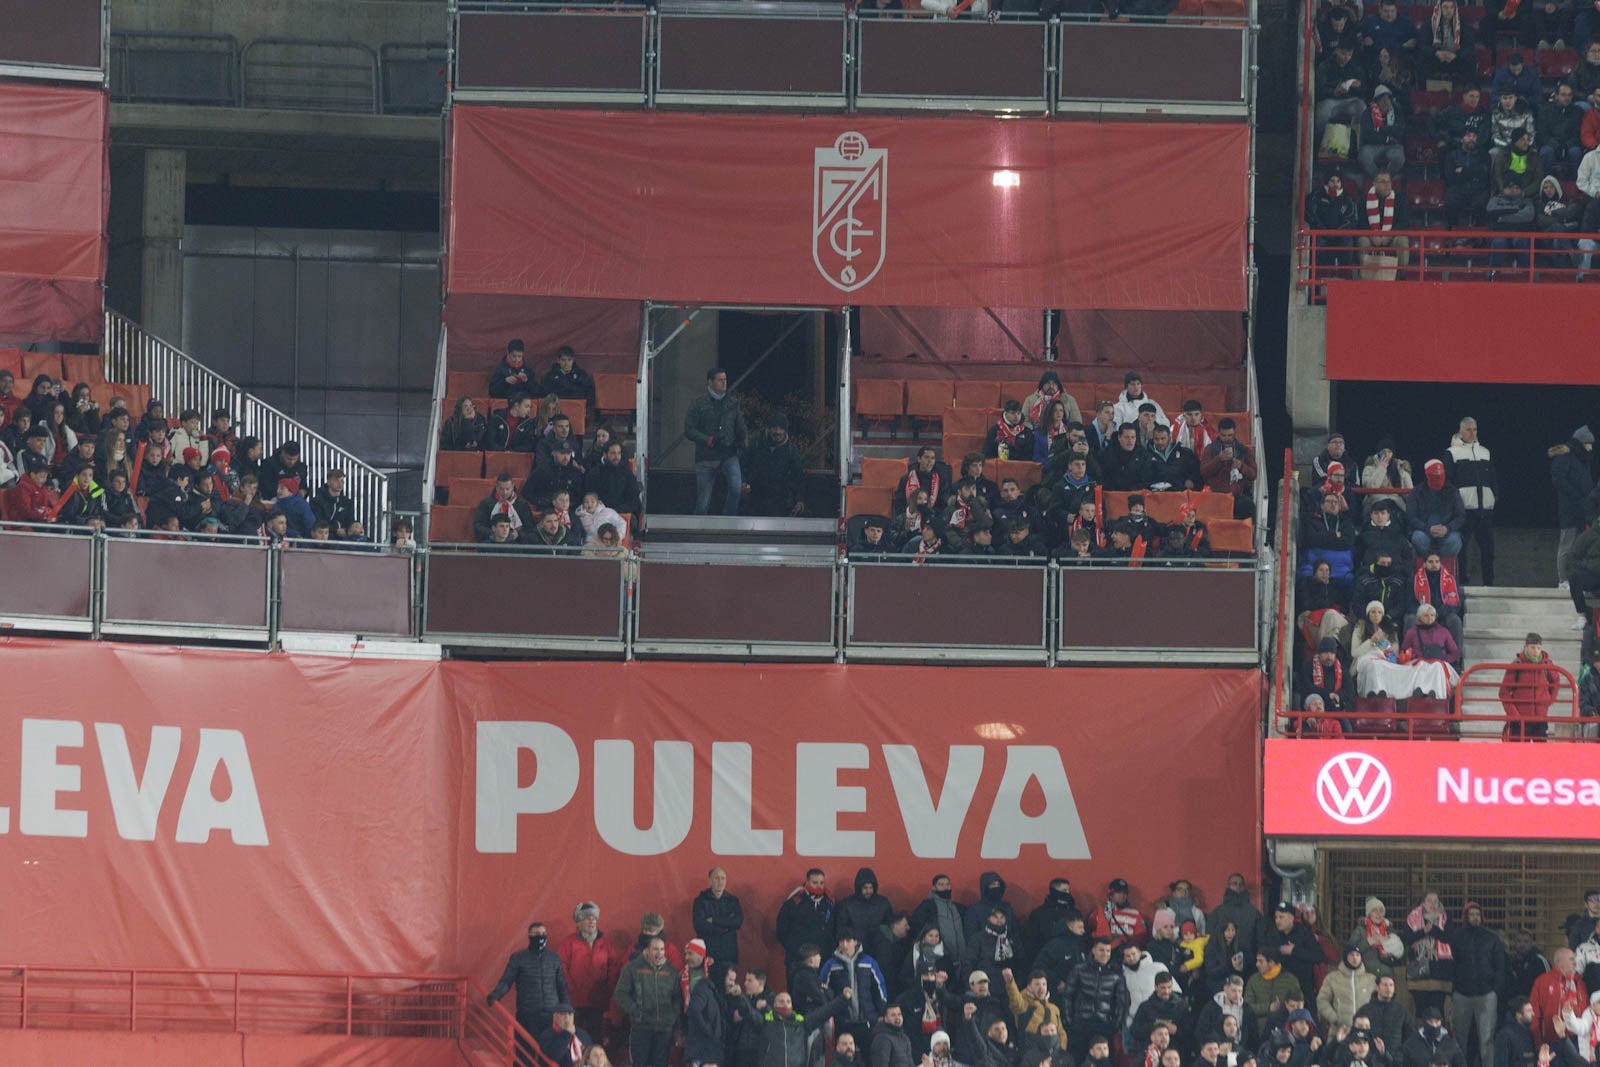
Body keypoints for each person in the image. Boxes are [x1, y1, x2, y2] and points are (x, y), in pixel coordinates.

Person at [488, 921, 569, 1039]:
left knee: (550, 1049)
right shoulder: (518, 958)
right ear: (529, 935)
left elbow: (561, 986)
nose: (541, 936)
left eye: (543, 933)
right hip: (527, 1014)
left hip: (552, 1014)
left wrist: (567, 1009)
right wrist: (496, 995)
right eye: (537, 934)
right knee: (525, 1048)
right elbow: (506, 980)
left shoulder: (554, 958)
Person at [685, 367, 747, 517]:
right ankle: (699, 528)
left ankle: (727, 520)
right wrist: (708, 440)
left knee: (736, 488)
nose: (724, 383)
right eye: (720, 380)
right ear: (710, 382)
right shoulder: (698, 403)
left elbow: (740, 427)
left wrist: (742, 440)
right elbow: (689, 430)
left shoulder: (733, 403)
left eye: (725, 380)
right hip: (706, 456)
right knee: (703, 503)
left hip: (729, 454)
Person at [1443, 418, 1497, 585]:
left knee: (1488, 549)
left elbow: (1493, 479)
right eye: (1468, 430)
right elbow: (1447, 483)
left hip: (1485, 510)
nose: (1472, 433)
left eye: (1474, 429)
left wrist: (1494, 496)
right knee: (1462, 548)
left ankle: (1489, 583)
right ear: (1460, 431)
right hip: (1463, 510)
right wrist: (1455, 504)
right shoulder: (1452, 453)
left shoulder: (1485, 452)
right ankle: (1462, 583)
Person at [614, 935, 681, 1067]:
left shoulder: (671, 971)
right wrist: (635, 1010)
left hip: (664, 1030)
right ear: (647, 951)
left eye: (662, 949)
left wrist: (671, 1016)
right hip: (641, 1028)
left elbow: (678, 998)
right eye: (655, 949)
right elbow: (620, 994)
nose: (659, 953)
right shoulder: (632, 968)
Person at [1552, 427, 1595, 588]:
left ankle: (1577, 580)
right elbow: (1558, 479)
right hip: (1569, 510)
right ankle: (1563, 580)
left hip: (1583, 510)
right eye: (1589, 444)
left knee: (1580, 548)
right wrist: (1577, 496)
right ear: (1581, 443)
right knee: (1567, 545)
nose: (1591, 448)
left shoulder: (1583, 460)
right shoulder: (1565, 456)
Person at [1500, 633, 1561, 740]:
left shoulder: (1547, 665)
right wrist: (1514, 715)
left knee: (1540, 749)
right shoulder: (1516, 665)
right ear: (1526, 647)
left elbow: (1556, 681)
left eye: (1538, 648)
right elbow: (1504, 692)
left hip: (1541, 718)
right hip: (1520, 719)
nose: (1536, 651)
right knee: (1519, 750)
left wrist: (1548, 700)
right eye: (1532, 648)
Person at [742, 414, 805, 517]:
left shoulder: (792, 451)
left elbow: (798, 477)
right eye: (774, 428)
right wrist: (744, 483)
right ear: (768, 429)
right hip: (755, 499)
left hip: (780, 502)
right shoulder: (756, 444)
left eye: (781, 428)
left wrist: (800, 500)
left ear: (786, 431)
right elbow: (743, 464)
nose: (777, 432)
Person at [1408, 461, 1465, 559]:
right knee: (1418, 539)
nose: (1438, 475)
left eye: (1441, 472)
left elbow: (1460, 516)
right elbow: (1411, 517)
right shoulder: (1416, 492)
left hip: (1447, 530)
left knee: (1455, 542)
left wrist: (1447, 528)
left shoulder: (1452, 491)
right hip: (1423, 530)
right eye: (1435, 473)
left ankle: (1440, 565)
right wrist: (1427, 528)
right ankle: (1429, 562)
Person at [1201, 420, 1257, 519]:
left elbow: (1253, 475)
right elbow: (1203, 472)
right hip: (1215, 495)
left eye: (1230, 435)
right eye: (1224, 435)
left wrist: (1241, 466)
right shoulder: (1209, 449)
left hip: (1236, 496)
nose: (1227, 438)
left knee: (1248, 506)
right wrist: (1219, 460)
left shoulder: (1244, 450)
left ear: (1235, 433)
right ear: (1218, 433)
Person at [1532, 950, 1590, 1045]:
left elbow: (1587, 1013)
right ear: (1559, 961)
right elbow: (1535, 1013)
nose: (1575, 962)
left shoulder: (1580, 982)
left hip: (1579, 1041)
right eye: (1571, 959)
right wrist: (1538, 1041)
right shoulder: (1543, 982)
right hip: (1553, 1041)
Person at [1359, 171, 1412, 269]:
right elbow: (1361, 223)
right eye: (1383, 182)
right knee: (1363, 241)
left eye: (1389, 181)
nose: (1387, 184)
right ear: (1375, 184)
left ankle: (1402, 275)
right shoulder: (1364, 199)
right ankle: (1364, 274)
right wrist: (1372, 236)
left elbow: (1404, 222)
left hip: (1391, 237)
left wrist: (1389, 235)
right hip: (1372, 237)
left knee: (1403, 240)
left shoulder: (1399, 199)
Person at [1444, 130, 1493, 229]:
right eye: (1468, 136)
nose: (1472, 139)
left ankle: (1479, 233)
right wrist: (1474, 172)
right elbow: (1451, 177)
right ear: (1462, 139)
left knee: (1481, 204)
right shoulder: (1452, 155)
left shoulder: (1484, 155)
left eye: (1474, 136)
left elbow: (1484, 175)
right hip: (1458, 189)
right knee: (1450, 202)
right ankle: (1453, 232)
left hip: (1478, 190)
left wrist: (1463, 171)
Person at [473, 473, 536, 543]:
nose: (505, 492)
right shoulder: (486, 504)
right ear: (496, 487)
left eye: (507, 489)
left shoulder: (522, 505)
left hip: (516, 543)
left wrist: (519, 534)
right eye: (501, 489)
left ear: (512, 486)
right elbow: (478, 525)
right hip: (492, 541)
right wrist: (493, 534)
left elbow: (530, 528)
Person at [1423, 0, 1475, 83]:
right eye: (1445, 7)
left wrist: (1456, 55)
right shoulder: (1429, 24)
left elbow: (1469, 46)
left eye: (1451, 7)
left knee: (1470, 58)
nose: (1449, 10)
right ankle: (1422, 88)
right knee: (1422, 57)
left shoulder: (1463, 24)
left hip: (1456, 58)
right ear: (1440, 8)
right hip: (1436, 58)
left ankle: (1470, 88)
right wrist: (1436, 52)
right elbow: (1423, 45)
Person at [1360, 87, 1408, 177]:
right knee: (1364, 156)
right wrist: (1387, 136)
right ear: (1376, 101)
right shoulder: (1367, 113)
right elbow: (1368, 134)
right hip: (1373, 146)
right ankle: (1378, 178)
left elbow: (1399, 131)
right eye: (1382, 99)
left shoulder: (1397, 113)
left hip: (1393, 147)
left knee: (1399, 158)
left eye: (1387, 99)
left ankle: (1386, 178)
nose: (1385, 102)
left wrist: (1380, 130)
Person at [1245, 950, 1303, 1020]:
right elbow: (1247, 1007)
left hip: (1285, 1024)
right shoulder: (1253, 980)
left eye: (1261, 961)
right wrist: (1268, 1008)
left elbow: (1299, 1004)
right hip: (1259, 1025)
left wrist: (1282, 1008)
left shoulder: (1291, 980)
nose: (1257, 964)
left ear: (1271, 963)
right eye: (1257, 961)